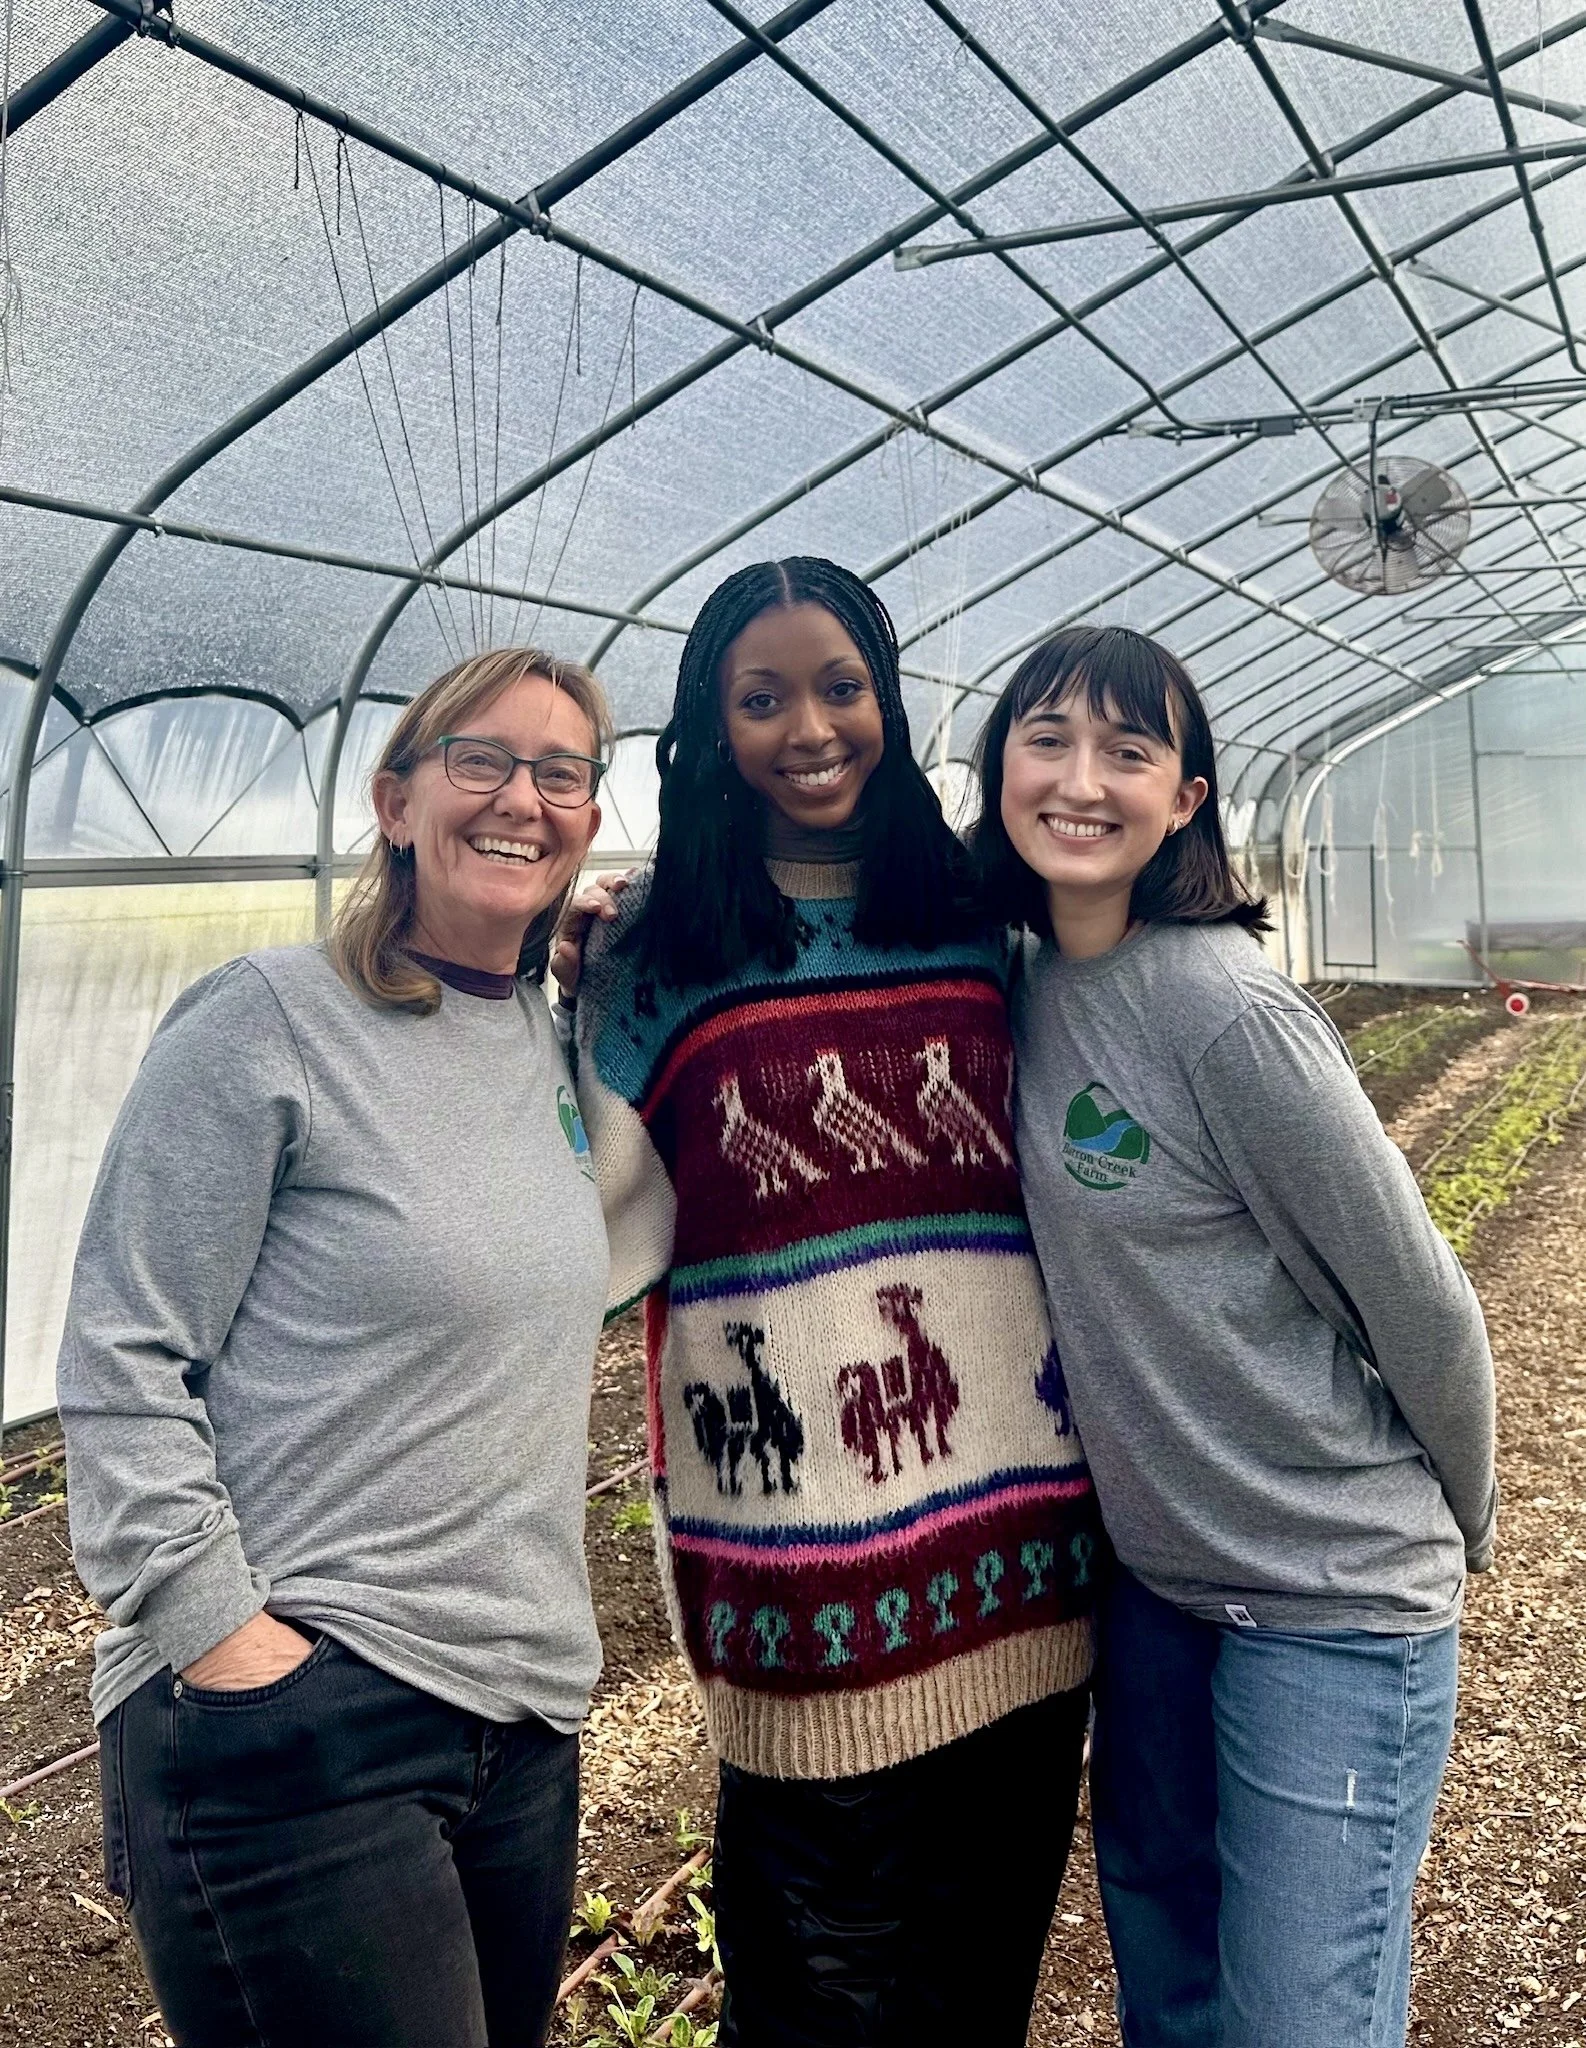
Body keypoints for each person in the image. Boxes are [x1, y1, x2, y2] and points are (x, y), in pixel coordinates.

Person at [557, 557, 1099, 2048]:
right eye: (761, 696)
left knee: (980, 1982)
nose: (810, 726)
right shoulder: (655, 952)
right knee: (818, 2001)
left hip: (1023, 1564)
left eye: (840, 685)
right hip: (800, 1592)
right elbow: (572, 1233)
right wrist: (511, 966)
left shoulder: (979, 918)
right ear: (706, 729)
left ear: (887, 699)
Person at [57, 647, 613, 2048]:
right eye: (480, 759)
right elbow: (126, 1353)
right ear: (394, 796)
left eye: (561, 773)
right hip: (307, 1719)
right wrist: (226, 1641)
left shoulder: (549, 1041)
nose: (521, 800)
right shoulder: (269, 1020)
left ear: (591, 819)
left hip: (521, 1717)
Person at [969, 624, 1497, 2048]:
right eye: (1048, 739)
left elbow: (1419, 1305)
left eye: (1127, 752)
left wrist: (1452, 1527)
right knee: (1173, 1988)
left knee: (1298, 2019)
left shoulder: (1225, 1016)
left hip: (1323, 1603)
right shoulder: (1011, 979)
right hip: (1156, 1594)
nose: (1081, 781)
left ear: (1184, 800)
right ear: (996, 763)